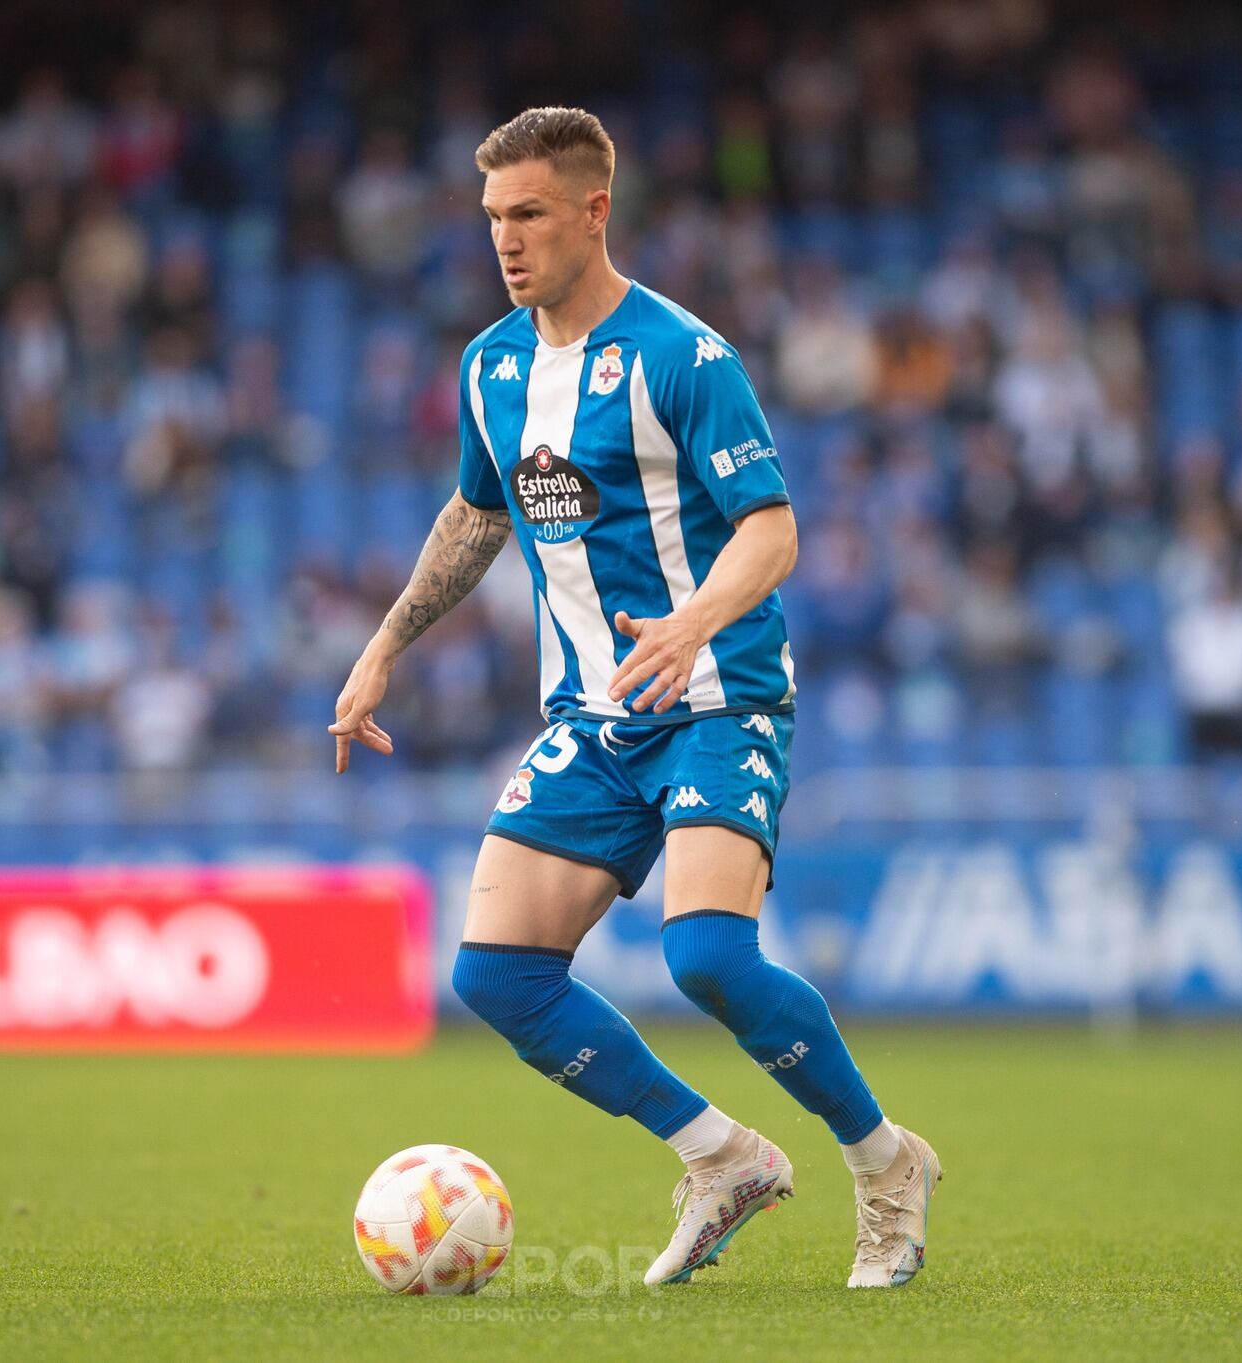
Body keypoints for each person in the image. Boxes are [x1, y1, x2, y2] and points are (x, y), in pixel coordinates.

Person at [330, 108, 940, 1291]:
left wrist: (694, 622)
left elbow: (771, 530)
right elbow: (476, 514)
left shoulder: (681, 356)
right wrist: (385, 642)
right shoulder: (491, 365)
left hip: (718, 695)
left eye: (529, 214)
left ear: (593, 211)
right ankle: (719, 1157)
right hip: (594, 718)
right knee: (496, 976)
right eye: (493, 217)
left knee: (707, 953)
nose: (505, 240)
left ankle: (883, 1164)